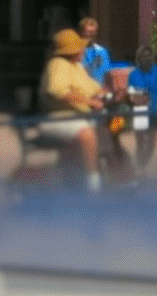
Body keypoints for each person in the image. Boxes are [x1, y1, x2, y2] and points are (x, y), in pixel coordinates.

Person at [37, 27, 106, 190]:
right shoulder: (57, 64)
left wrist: (112, 92)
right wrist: (89, 102)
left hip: (78, 118)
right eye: (81, 47)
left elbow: (95, 88)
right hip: (56, 118)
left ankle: (118, 177)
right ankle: (93, 185)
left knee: (110, 131)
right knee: (86, 133)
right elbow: (58, 91)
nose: (84, 49)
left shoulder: (77, 67)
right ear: (73, 50)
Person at [77, 17, 112, 83]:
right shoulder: (73, 51)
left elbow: (106, 74)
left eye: (93, 32)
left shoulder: (101, 51)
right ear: (81, 32)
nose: (90, 35)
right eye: (88, 32)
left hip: (97, 89)